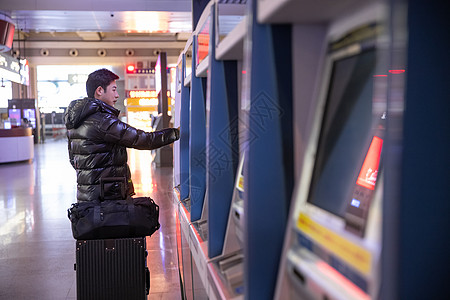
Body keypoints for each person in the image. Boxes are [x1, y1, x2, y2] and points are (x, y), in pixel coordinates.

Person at [64, 68, 179, 202]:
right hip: (108, 196)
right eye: (113, 89)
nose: (117, 95)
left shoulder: (75, 121)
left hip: (87, 198)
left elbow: (73, 160)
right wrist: (176, 133)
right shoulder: (103, 121)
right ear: (100, 90)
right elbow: (142, 139)